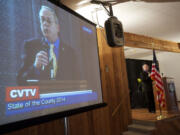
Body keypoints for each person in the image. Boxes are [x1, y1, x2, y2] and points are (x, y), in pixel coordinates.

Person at [17, 6, 78, 85]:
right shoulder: (30, 46)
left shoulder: (70, 52)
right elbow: (20, 80)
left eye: (49, 21)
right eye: (42, 20)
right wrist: (35, 67)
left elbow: (77, 81)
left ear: (58, 27)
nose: (45, 24)